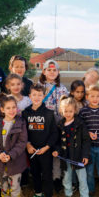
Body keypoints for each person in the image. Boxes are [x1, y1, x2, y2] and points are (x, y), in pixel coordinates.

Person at [0, 95, 28, 197]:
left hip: (15, 161)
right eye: (8, 108)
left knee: (15, 184)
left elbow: (22, 142)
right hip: (0, 161)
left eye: (14, 107)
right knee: (2, 182)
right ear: (2, 109)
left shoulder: (21, 123)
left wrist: (11, 155)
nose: (11, 110)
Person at [23, 84, 58, 197]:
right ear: (29, 96)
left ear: (43, 96)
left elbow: (54, 133)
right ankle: (38, 193)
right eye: (34, 95)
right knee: (35, 173)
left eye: (39, 95)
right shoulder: (25, 112)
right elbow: (23, 132)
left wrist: (47, 147)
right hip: (31, 149)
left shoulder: (49, 113)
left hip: (45, 150)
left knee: (47, 175)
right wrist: (27, 144)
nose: (37, 97)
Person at [53, 96, 91, 197]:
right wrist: (57, 151)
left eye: (70, 111)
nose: (68, 113)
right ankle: (68, 196)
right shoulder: (60, 124)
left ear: (75, 110)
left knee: (82, 179)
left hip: (78, 157)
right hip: (65, 157)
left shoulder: (80, 123)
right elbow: (57, 142)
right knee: (67, 179)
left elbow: (86, 140)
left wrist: (85, 155)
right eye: (65, 111)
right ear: (61, 111)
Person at [38, 59, 68, 190]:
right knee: (44, 151)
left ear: (58, 72)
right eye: (48, 70)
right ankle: (45, 177)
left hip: (58, 124)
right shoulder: (39, 86)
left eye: (54, 70)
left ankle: (56, 177)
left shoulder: (62, 88)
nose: (51, 72)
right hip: (44, 124)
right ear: (43, 71)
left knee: (56, 151)